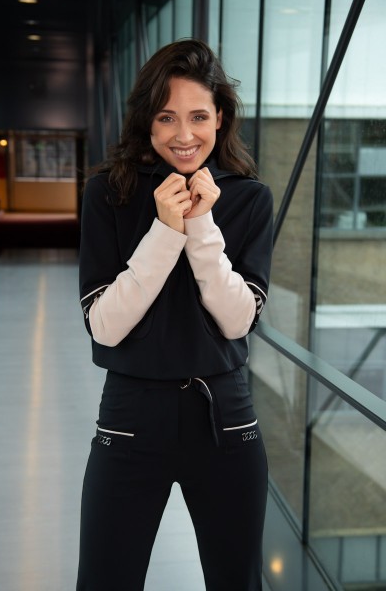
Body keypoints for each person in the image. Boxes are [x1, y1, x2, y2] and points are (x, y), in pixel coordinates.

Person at [77, 39, 273, 591]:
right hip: (130, 417)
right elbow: (104, 326)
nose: (184, 134)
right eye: (166, 117)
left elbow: (238, 321)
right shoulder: (107, 193)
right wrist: (165, 230)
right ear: (147, 120)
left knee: (237, 582)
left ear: (220, 118)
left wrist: (201, 225)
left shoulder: (249, 198)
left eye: (198, 116)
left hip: (225, 420)